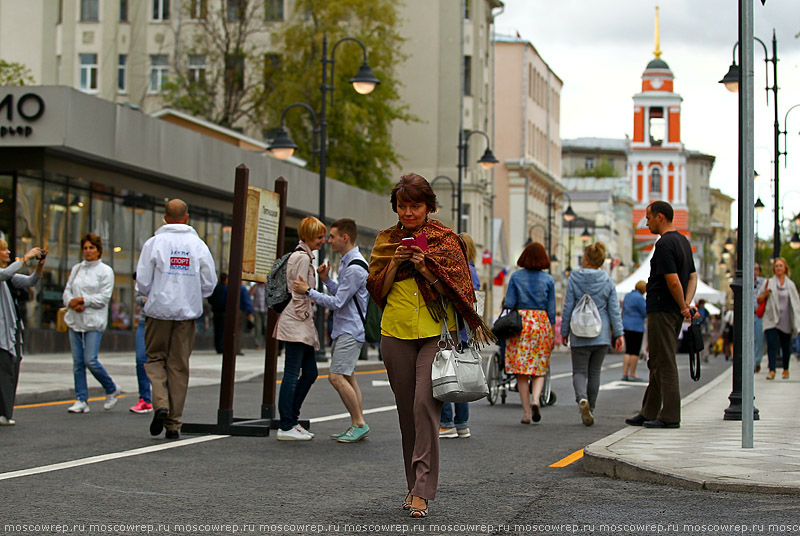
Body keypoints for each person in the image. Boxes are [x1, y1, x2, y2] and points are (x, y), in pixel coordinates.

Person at [366, 173, 492, 518]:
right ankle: (412, 486)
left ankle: (422, 489)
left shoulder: (447, 241)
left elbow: (459, 290)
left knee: (424, 406)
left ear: (429, 207)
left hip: (436, 333)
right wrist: (395, 263)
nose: (408, 212)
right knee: (407, 414)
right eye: (403, 206)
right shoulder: (385, 241)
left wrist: (427, 268)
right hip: (394, 332)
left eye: (415, 206)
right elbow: (376, 291)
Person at [136, 199, 217, 439]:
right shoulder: (198, 245)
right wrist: (191, 293)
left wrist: (152, 292)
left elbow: (142, 282)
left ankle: (160, 401)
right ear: (187, 217)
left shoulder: (154, 243)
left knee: (154, 359)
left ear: (164, 218)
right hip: (186, 313)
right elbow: (209, 283)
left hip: (158, 311)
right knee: (179, 366)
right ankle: (174, 423)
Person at [293, 218, 370, 443]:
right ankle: (358, 422)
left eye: (333, 236)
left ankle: (359, 423)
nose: (329, 241)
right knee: (347, 376)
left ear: (345, 238)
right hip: (346, 328)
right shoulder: (348, 262)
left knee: (336, 377)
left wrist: (309, 291)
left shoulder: (355, 266)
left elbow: (337, 302)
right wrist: (326, 280)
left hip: (350, 329)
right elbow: (345, 295)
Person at [625, 201, 697, 429]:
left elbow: (673, 280)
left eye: (648, 218)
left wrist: (682, 305)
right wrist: (686, 302)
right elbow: (692, 277)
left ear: (660, 217)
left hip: (662, 308)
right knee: (656, 360)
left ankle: (670, 415)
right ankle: (649, 411)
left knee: (664, 361)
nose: (646, 222)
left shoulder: (665, 244)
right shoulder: (683, 241)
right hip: (671, 308)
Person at [274, 216, 326, 441]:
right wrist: (305, 315)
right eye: (319, 236)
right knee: (293, 372)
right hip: (297, 322)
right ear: (308, 236)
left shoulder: (300, 255)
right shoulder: (302, 258)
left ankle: (291, 420)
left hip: (296, 322)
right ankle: (286, 424)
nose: (322, 240)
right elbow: (298, 291)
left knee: (309, 372)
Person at [561, 242, 624, 426]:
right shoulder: (607, 280)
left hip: (579, 331)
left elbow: (568, 307)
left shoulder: (574, 278)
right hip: (601, 333)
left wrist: (564, 331)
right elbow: (614, 310)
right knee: (594, 373)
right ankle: (592, 408)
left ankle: (582, 398)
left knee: (579, 371)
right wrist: (618, 333)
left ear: (586, 259)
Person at [63, 233, 120, 414]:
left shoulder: (105, 271)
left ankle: (110, 387)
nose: (88, 251)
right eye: (85, 248)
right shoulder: (77, 269)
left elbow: (104, 298)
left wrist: (83, 300)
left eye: (91, 248)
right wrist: (71, 302)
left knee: (90, 360)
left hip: (94, 322)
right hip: (75, 320)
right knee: (78, 362)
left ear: (98, 250)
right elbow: (67, 290)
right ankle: (81, 399)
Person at [504, 241, 555, 425]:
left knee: (521, 371)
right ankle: (536, 400)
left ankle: (526, 412)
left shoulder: (516, 277)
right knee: (540, 367)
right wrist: (552, 333)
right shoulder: (548, 280)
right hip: (541, 323)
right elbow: (551, 309)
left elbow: (509, 302)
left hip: (521, 323)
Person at [439, 232, 480, 439]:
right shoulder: (474, 272)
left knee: (446, 378)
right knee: (461, 380)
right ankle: (462, 423)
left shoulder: (455, 270)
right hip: (466, 332)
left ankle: (446, 423)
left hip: (451, 330)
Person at [0, 241, 45, 426]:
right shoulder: (4, 274)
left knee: (12, 368)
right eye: (3, 249)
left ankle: (5, 412)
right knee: (5, 372)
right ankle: (4, 413)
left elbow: (31, 281)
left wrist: (40, 265)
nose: (8, 251)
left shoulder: (9, 276)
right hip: (2, 332)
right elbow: (4, 274)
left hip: (13, 329)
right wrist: (25, 258)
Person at [759, 257, 800, 380]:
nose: (778, 268)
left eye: (781, 266)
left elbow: (796, 302)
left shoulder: (790, 285)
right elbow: (759, 299)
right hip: (771, 318)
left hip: (786, 319)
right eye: (776, 266)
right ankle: (772, 370)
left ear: (785, 268)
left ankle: (786, 369)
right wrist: (765, 294)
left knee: (785, 345)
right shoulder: (769, 283)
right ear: (774, 269)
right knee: (772, 344)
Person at [130, 287, 153, 413]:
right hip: (145, 320)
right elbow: (137, 297)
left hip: (164, 320)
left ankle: (166, 400)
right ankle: (145, 400)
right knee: (141, 359)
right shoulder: (147, 272)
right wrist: (144, 300)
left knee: (165, 361)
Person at [621, 281, 647, 381]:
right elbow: (644, 312)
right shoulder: (640, 298)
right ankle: (632, 373)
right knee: (635, 351)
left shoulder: (627, 296)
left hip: (626, 324)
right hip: (636, 326)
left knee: (628, 350)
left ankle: (625, 373)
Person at [208, 272, 228, 354]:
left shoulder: (216, 288)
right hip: (224, 311)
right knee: (222, 330)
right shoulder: (226, 288)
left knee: (217, 330)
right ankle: (221, 346)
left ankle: (217, 346)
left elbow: (210, 299)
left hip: (216, 311)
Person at [753, 263, 767, 373]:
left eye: (756, 269)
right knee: (749, 340)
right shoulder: (744, 282)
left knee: (760, 340)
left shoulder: (764, 282)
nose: (754, 271)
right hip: (748, 315)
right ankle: (752, 363)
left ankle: (757, 361)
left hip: (760, 314)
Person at [250, 281, 267, 349]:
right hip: (257, 309)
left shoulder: (267, 287)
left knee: (266, 327)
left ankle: (267, 342)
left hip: (266, 309)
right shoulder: (256, 287)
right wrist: (255, 285)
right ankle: (258, 344)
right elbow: (250, 294)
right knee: (258, 327)